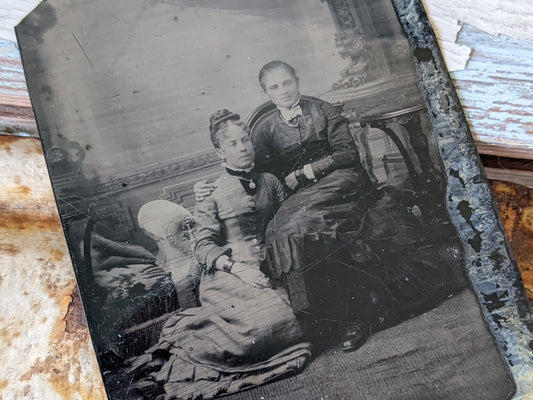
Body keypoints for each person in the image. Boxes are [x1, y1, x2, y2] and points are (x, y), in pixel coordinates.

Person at [128, 110, 311, 400]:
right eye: (233, 145)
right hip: (228, 273)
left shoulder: (269, 181)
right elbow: (202, 246)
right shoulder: (211, 192)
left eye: (245, 141)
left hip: (273, 262)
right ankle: (186, 354)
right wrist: (238, 269)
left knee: (295, 311)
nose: (243, 148)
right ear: (220, 152)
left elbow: (288, 218)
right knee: (264, 323)